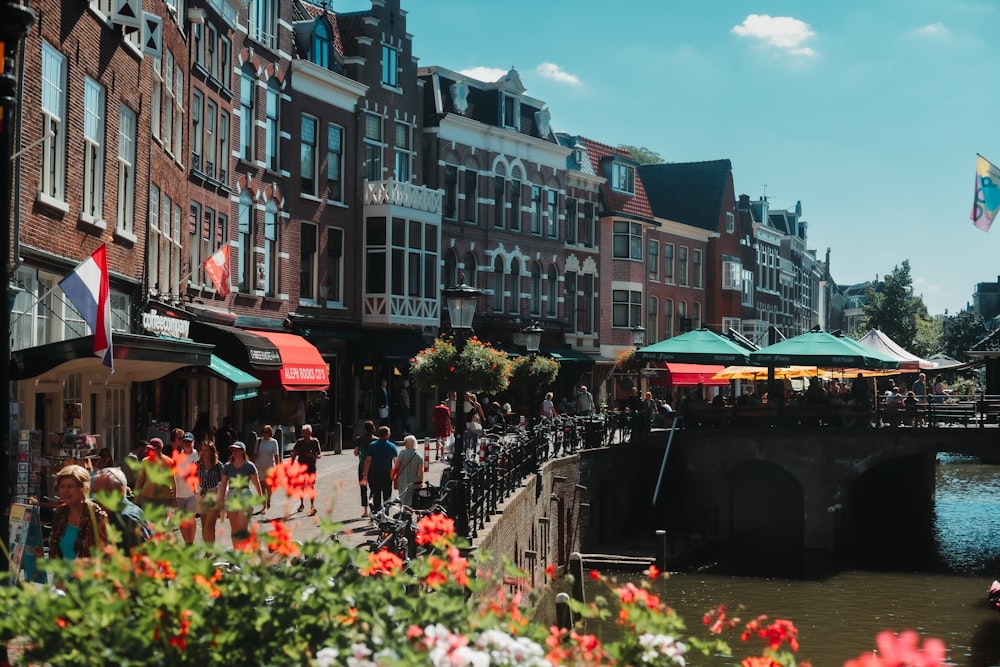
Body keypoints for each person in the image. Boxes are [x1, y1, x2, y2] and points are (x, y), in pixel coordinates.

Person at [49, 464, 108, 560]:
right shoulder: (60, 514)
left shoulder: (97, 517)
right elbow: (54, 551)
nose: (65, 490)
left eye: (71, 486)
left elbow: (105, 556)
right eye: (62, 486)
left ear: (83, 489)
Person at [91, 466, 151, 552]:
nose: (97, 498)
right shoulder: (129, 511)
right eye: (95, 492)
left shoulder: (125, 518)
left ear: (119, 492)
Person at [218, 441, 263, 547]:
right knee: (234, 529)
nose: (235, 452)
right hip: (232, 496)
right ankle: (236, 553)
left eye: (237, 450)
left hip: (245, 495)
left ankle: (243, 552)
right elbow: (223, 484)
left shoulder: (249, 465)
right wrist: (221, 499)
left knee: (242, 528)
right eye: (233, 450)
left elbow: (256, 483)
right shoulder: (227, 466)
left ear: (243, 451)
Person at [362, 425, 398, 512]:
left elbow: (368, 460)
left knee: (376, 493)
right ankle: (386, 512)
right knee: (387, 493)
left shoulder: (373, 445)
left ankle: (378, 512)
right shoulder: (392, 446)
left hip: (375, 472)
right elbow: (396, 462)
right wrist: (396, 474)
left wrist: (365, 474)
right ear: (387, 434)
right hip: (387, 472)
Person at [172, 432, 200, 544]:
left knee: (190, 519)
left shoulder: (197, 456)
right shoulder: (177, 456)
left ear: (194, 442)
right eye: (185, 442)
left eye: (189, 442)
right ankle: (187, 543)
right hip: (179, 493)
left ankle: (191, 542)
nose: (187, 444)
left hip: (192, 494)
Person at [134, 438, 176, 510]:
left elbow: (172, 481)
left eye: (153, 449)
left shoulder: (169, 462)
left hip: (164, 498)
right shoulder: (145, 461)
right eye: (150, 449)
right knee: (148, 520)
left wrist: (173, 499)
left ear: (160, 449)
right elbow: (140, 480)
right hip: (147, 497)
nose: (151, 451)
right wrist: (137, 497)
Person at [197, 441, 225, 546]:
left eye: (206, 450)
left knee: (210, 525)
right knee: (204, 525)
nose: (204, 453)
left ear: (212, 452)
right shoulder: (197, 464)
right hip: (201, 494)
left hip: (213, 493)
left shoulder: (218, 465)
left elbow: (224, 480)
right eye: (202, 450)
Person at [290, 423, 321, 515]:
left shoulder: (315, 442)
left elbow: (319, 455)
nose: (304, 435)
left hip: (311, 467)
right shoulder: (299, 442)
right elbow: (294, 454)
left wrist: (313, 456)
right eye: (303, 433)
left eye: (306, 433)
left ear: (310, 433)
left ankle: (312, 505)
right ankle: (302, 504)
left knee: (311, 486)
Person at [253, 424, 281, 511]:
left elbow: (276, 456)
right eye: (262, 432)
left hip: (270, 466)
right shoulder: (258, 441)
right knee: (262, 486)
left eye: (265, 432)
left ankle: (268, 499)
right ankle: (264, 505)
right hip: (259, 465)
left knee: (269, 486)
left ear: (269, 433)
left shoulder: (274, 442)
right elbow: (254, 453)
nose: (263, 434)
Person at [393, 435, 424, 507]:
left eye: (405, 442)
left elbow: (397, 466)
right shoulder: (419, 456)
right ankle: (409, 513)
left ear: (409, 443)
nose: (404, 444)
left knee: (403, 497)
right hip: (414, 480)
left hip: (403, 479)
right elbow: (420, 471)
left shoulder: (402, 453)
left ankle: (403, 513)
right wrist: (421, 482)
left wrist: (394, 475)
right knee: (411, 498)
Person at [354, 420, 377, 517]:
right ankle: (371, 499)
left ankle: (365, 511)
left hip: (362, 466)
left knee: (363, 488)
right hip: (374, 466)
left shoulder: (359, 439)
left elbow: (355, 452)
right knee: (374, 487)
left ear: (364, 430)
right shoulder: (376, 440)